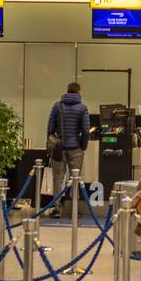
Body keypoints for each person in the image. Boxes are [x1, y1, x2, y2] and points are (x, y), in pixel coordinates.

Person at [47, 82, 90, 217]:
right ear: (79, 92)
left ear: (67, 91)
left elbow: (50, 129)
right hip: (75, 149)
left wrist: (53, 144)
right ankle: (74, 210)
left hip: (59, 148)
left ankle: (56, 209)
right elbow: (85, 131)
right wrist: (83, 145)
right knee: (75, 179)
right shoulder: (82, 108)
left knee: (58, 179)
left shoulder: (57, 106)